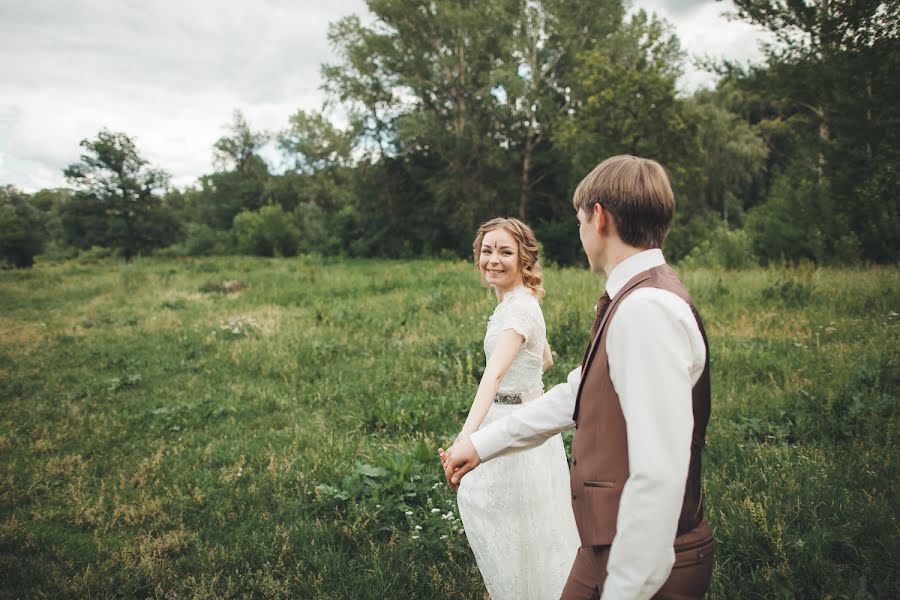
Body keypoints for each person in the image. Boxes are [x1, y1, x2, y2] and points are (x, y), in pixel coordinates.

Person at [441, 156, 715, 600]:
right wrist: (482, 443)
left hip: (645, 558)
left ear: (600, 218)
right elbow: (580, 392)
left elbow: (660, 474)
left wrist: (624, 589)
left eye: (580, 218)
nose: (580, 231)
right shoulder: (635, 296)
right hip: (603, 545)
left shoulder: (648, 310)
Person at [438, 217, 580, 600]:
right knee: (526, 521)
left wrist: (467, 435)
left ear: (523, 258)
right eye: (487, 251)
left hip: (514, 422)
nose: (493, 260)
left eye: (504, 252)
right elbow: (545, 358)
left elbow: (495, 374)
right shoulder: (522, 302)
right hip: (525, 414)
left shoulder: (517, 310)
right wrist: (527, 384)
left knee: (509, 518)